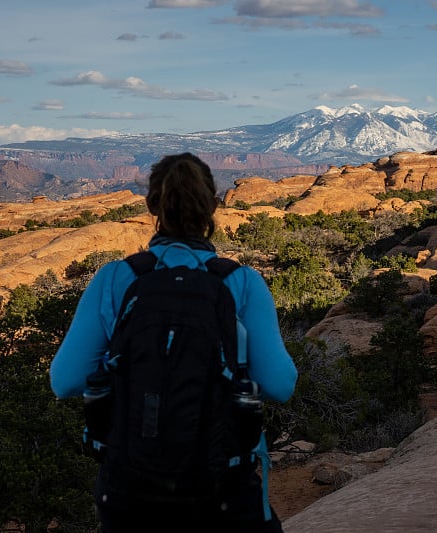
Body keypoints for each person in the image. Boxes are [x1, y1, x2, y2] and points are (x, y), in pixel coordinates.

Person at [50, 152, 298, 532]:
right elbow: (280, 385)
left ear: (152, 206)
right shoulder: (241, 282)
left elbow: (64, 380)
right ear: (213, 206)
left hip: (131, 489)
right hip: (222, 487)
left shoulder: (117, 278)